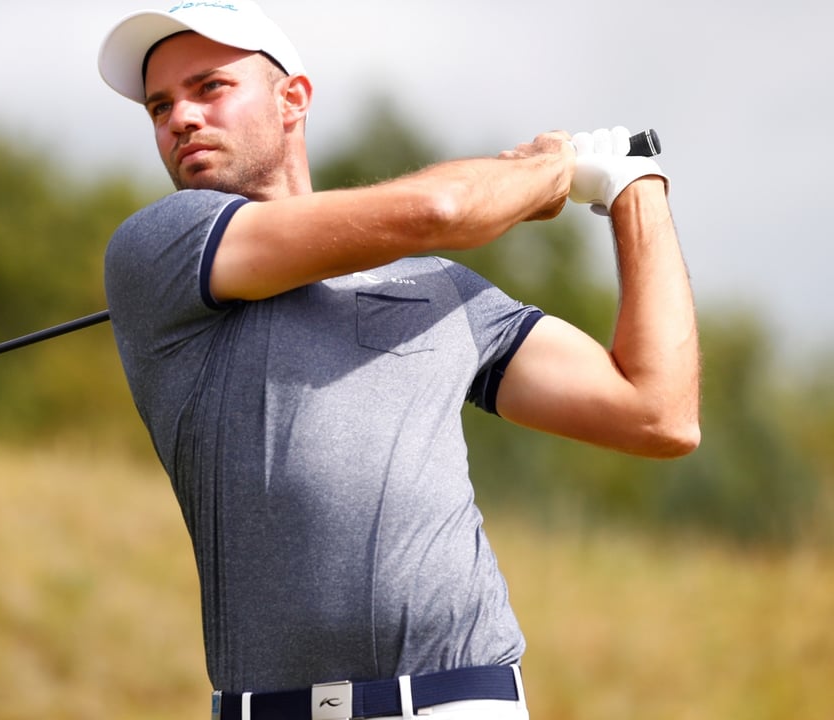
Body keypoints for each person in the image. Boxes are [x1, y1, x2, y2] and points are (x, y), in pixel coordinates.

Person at [96, 3, 700, 718]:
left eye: (210, 87)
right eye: (161, 105)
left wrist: (637, 189)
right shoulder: (160, 246)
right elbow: (440, 207)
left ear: (293, 100)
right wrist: (549, 169)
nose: (181, 118)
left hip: (460, 698)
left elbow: (659, 414)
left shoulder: (439, 290)